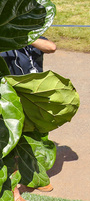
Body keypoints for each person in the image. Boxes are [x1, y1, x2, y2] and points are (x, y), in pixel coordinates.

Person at [1, 37, 57, 200]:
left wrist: (25, 36)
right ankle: (14, 193)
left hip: (34, 98)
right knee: (9, 143)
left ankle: (37, 179)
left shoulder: (30, 37)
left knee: (36, 141)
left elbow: (51, 47)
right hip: (9, 97)